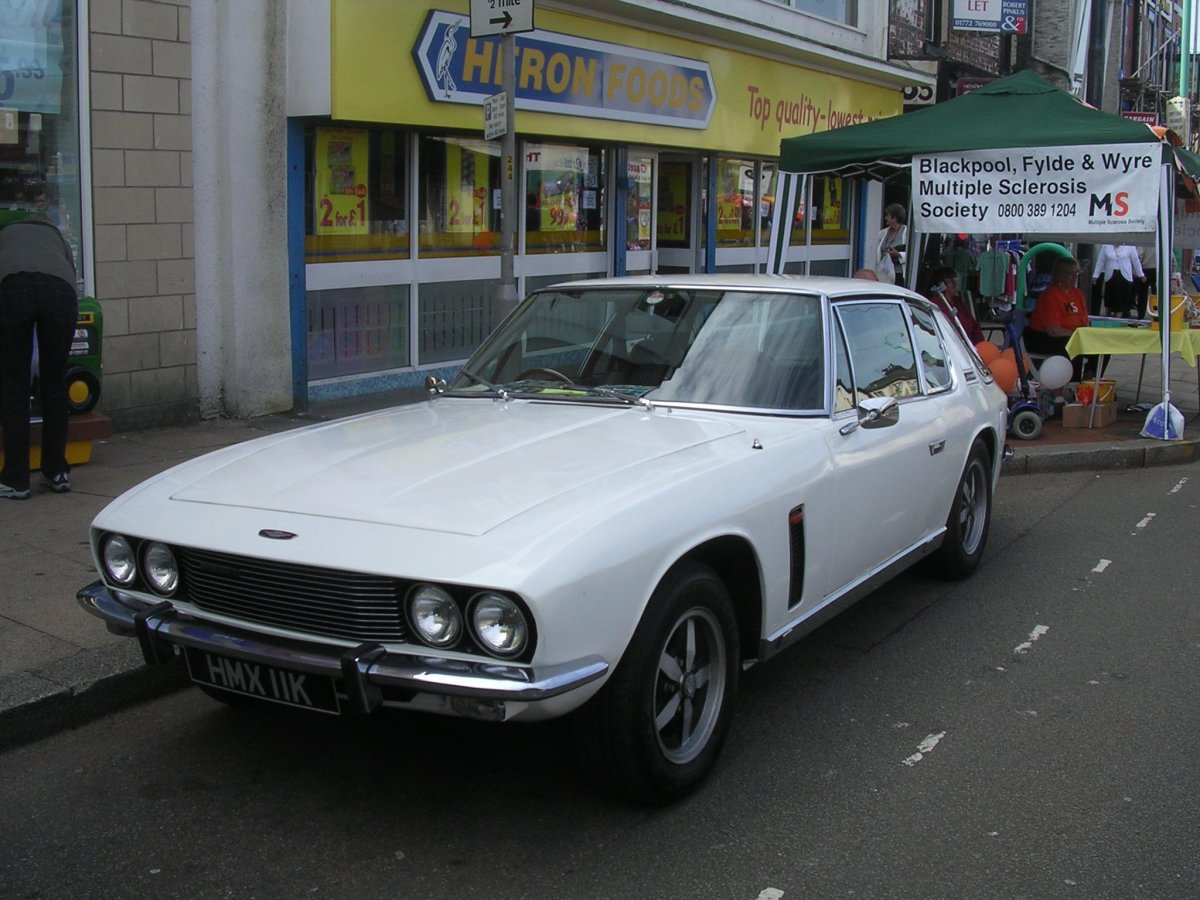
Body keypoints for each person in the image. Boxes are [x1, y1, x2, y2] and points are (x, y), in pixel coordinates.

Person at [0, 208, 79, 499]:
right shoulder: (55, 235)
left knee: (14, 388)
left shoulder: (5, 235)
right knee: (55, 385)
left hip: (13, 289)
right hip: (60, 293)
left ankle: (15, 480)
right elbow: (70, 274)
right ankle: (56, 472)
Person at [1024, 256, 1096, 382]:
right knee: (1073, 347)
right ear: (1060, 275)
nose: (1074, 277)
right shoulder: (1050, 295)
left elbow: (1084, 322)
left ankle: (1087, 381)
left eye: (1076, 273)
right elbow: (1053, 330)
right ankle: (1073, 383)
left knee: (1101, 349)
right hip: (1044, 338)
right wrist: (1076, 335)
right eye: (1071, 274)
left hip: (1072, 336)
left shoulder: (1078, 294)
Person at [926, 266, 984, 343]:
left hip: (972, 344)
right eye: (951, 281)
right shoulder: (935, 304)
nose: (955, 284)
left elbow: (974, 325)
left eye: (954, 280)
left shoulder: (957, 301)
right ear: (941, 285)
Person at [1092, 244, 1146, 317]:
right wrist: (1095, 275)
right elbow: (1100, 261)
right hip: (1110, 278)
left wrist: (1141, 275)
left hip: (1124, 278)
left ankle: (1119, 320)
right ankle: (1108, 320)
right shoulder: (1105, 247)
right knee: (1109, 303)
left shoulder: (1130, 247)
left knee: (1121, 304)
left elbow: (1135, 261)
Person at [873, 203, 907, 285]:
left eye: (887, 215)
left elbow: (912, 255)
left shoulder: (907, 233)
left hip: (899, 274)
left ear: (894, 218)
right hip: (884, 274)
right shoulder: (882, 233)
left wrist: (898, 254)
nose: (885, 218)